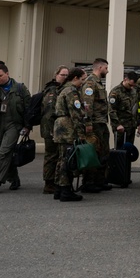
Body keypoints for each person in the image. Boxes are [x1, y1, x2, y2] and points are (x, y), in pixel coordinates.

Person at [0, 64, 31, 194]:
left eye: (0, 75)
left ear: (7, 74)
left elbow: (28, 108)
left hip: (13, 125)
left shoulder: (20, 88)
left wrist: (27, 126)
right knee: (3, 153)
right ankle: (14, 178)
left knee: (4, 152)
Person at [52, 67, 88, 202]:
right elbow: (75, 114)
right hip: (67, 127)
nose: (84, 83)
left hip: (60, 126)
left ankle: (59, 189)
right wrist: (81, 134)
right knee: (68, 159)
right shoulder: (71, 91)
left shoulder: (63, 89)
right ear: (75, 78)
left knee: (62, 159)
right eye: (82, 79)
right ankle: (66, 190)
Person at [80, 59, 112, 192]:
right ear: (100, 67)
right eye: (106, 68)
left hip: (101, 123)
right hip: (94, 124)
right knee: (93, 152)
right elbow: (87, 105)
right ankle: (88, 182)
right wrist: (88, 123)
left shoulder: (98, 83)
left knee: (103, 152)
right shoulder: (90, 82)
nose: (107, 71)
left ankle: (100, 180)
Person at [40, 66, 69, 194]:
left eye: (67, 75)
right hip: (50, 128)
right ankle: (49, 182)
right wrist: (52, 130)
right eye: (63, 75)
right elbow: (49, 112)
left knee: (58, 155)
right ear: (56, 75)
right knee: (51, 155)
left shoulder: (63, 89)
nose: (65, 77)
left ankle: (56, 181)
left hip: (58, 129)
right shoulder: (52, 90)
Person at [109, 71, 139, 146]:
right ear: (125, 79)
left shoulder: (133, 92)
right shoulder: (116, 92)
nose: (131, 87)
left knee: (129, 150)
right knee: (120, 151)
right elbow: (112, 110)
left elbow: (136, 108)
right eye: (130, 85)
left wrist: (139, 124)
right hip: (121, 127)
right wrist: (117, 124)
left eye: (133, 86)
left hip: (131, 126)